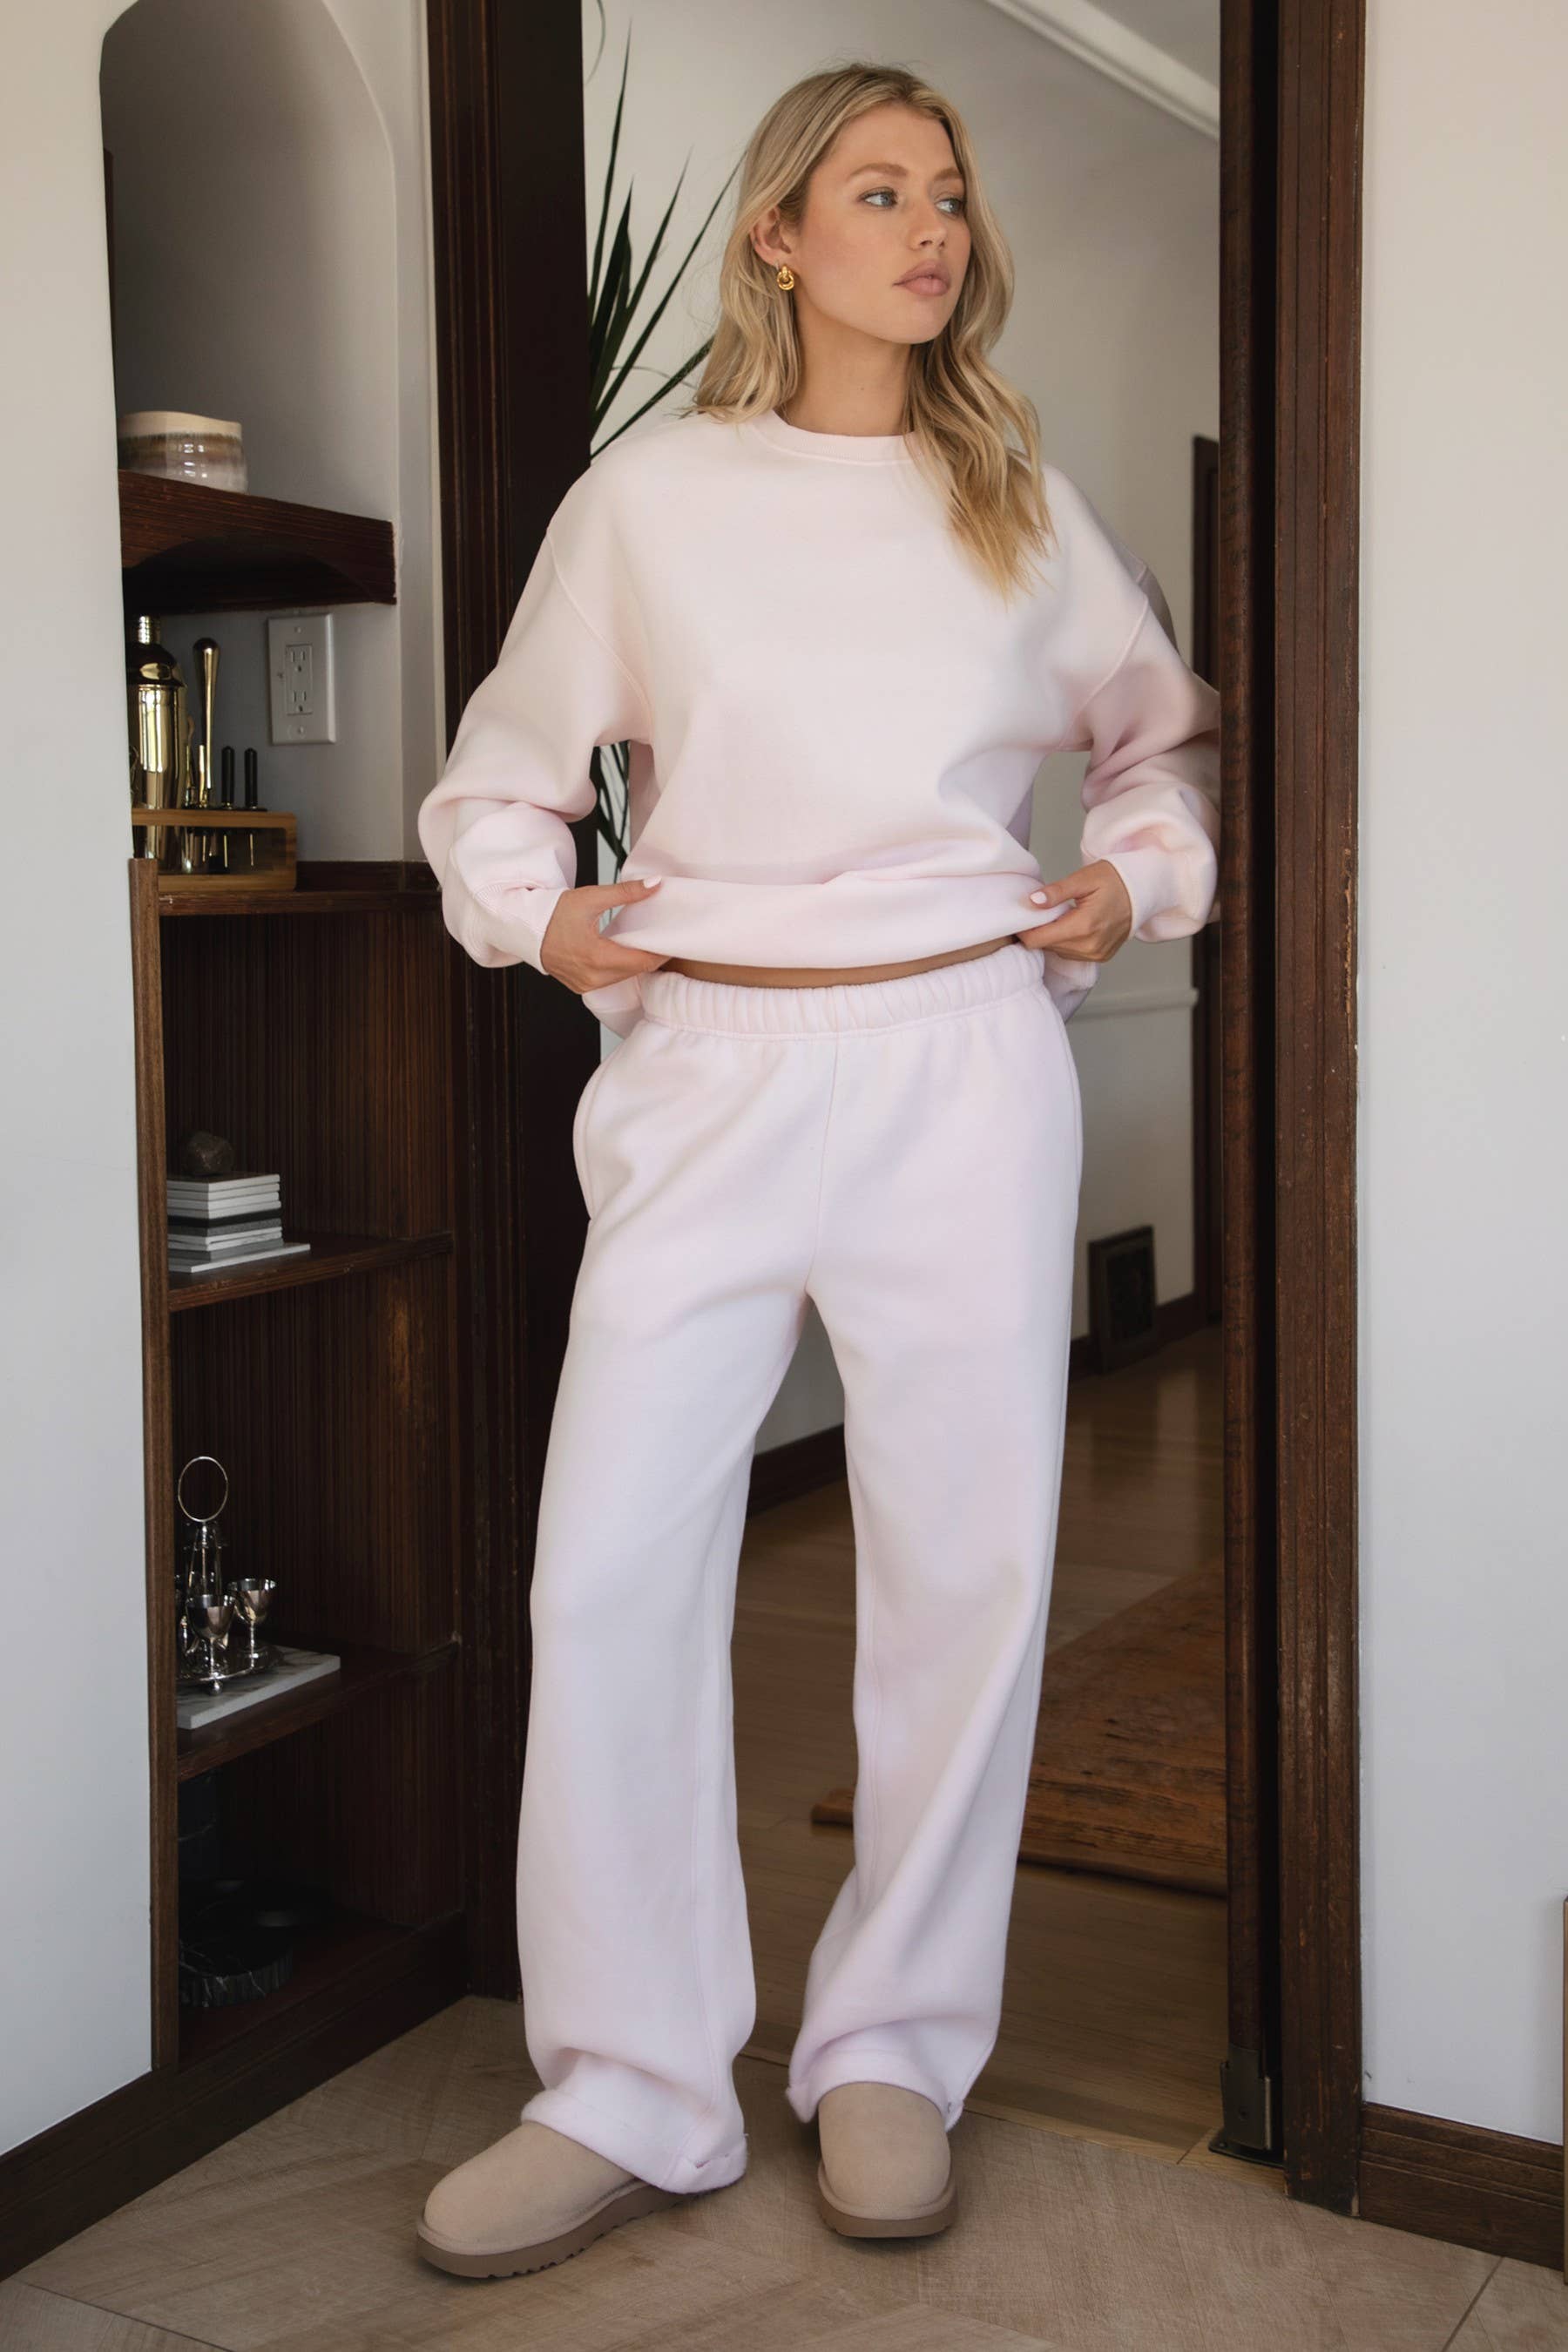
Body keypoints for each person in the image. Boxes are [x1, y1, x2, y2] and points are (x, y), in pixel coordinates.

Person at [412, 59, 1220, 2281]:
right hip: (710, 1061)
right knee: (608, 1570)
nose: (930, 227)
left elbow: (1161, 744)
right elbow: (501, 776)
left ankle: (893, 2051)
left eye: (947, 193)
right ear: (778, 233)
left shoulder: (1018, 503)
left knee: (966, 1569)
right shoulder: (651, 501)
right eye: (879, 191)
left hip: (965, 1056)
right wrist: (543, 916)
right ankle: (629, 2082)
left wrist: (1134, 880)